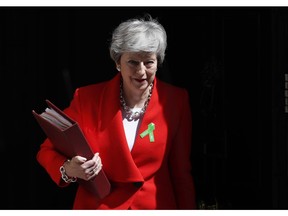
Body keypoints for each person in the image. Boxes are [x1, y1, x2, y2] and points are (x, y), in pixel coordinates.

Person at [36, 14, 196, 210]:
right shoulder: (87, 98)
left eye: (149, 62)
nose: (141, 71)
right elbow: (46, 150)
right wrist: (69, 169)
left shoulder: (175, 101)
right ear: (118, 63)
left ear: (158, 62)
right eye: (133, 62)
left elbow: (181, 174)